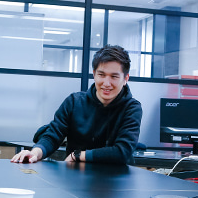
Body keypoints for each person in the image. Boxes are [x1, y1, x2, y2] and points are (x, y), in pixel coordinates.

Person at [11, 44, 142, 165]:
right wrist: (35, 153)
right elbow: (53, 135)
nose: (106, 83)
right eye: (101, 75)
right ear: (94, 74)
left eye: (114, 77)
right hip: (76, 175)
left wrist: (78, 155)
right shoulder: (74, 102)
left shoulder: (132, 108)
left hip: (115, 178)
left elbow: (122, 151)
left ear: (125, 79)